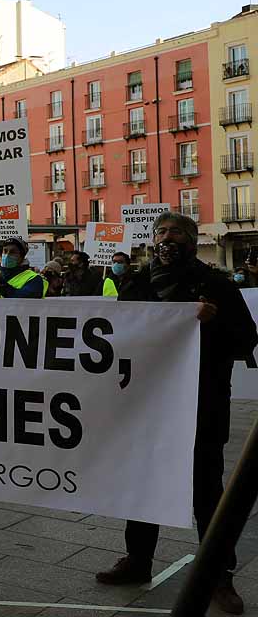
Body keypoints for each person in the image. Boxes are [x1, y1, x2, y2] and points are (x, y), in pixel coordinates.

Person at [95, 212, 255, 614]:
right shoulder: (137, 282)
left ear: (192, 239)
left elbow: (246, 340)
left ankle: (219, 575)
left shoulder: (216, 283)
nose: (168, 238)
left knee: (207, 492)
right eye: (162, 232)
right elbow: (120, 331)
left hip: (203, 403)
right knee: (143, 483)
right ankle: (138, 560)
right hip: (148, 402)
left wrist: (207, 323)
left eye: (177, 232)